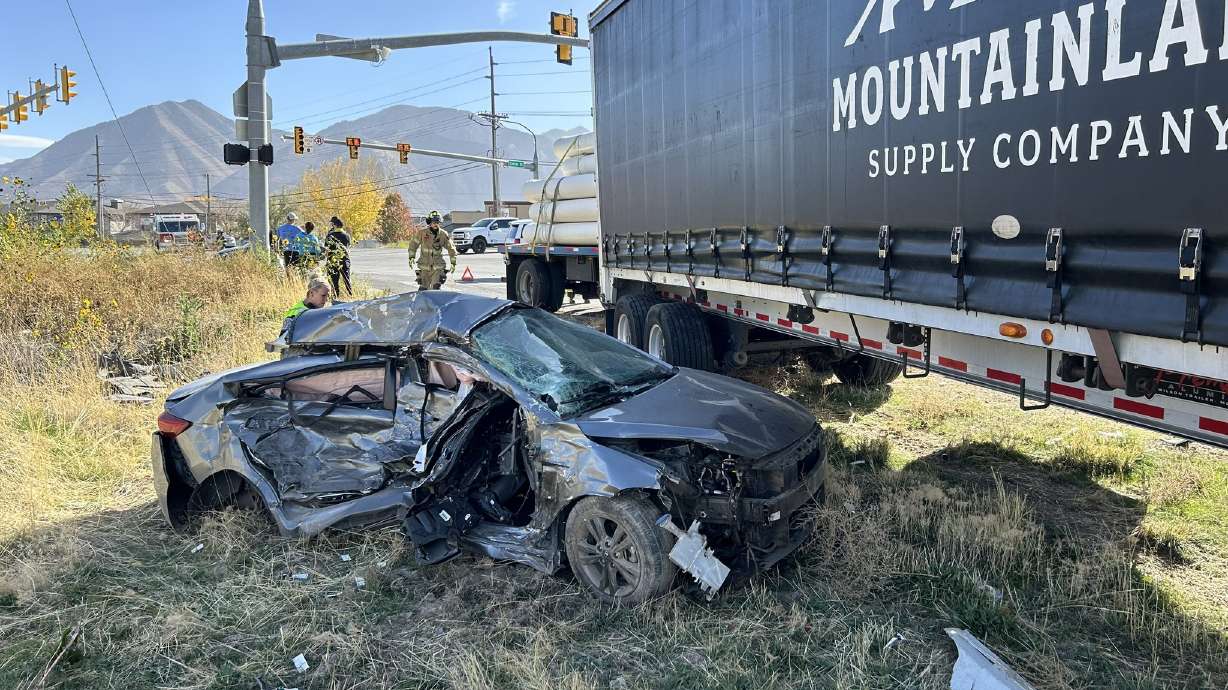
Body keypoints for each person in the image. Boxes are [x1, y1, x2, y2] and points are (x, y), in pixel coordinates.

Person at [407, 210, 458, 290]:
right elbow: (413, 244)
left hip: (437, 268)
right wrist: (411, 256)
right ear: (430, 222)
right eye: (434, 222)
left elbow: (451, 248)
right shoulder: (422, 233)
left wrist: (453, 261)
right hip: (424, 268)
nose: (435, 224)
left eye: (437, 222)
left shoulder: (443, 234)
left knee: (436, 288)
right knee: (423, 290)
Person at [324, 216, 352, 297]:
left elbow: (326, 249)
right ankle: (350, 295)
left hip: (333, 260)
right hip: (345, 260)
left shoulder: (330, 235)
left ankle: (335, 297)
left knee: (334, 281)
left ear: (335, 225)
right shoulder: (347, 236)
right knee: (347, 279)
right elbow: (348, 247)